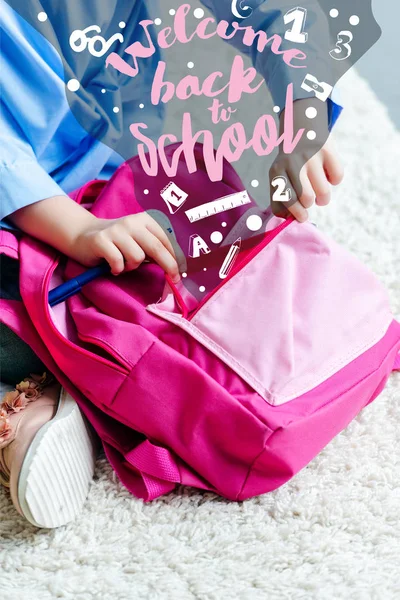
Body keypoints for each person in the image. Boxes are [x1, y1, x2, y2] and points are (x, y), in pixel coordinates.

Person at [0, 0, 343, 527]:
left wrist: (303, 110)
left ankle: (75, 369)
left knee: (195, 244)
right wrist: (77, 230)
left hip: (116, 174)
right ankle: (56, 388)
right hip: (23, 202)